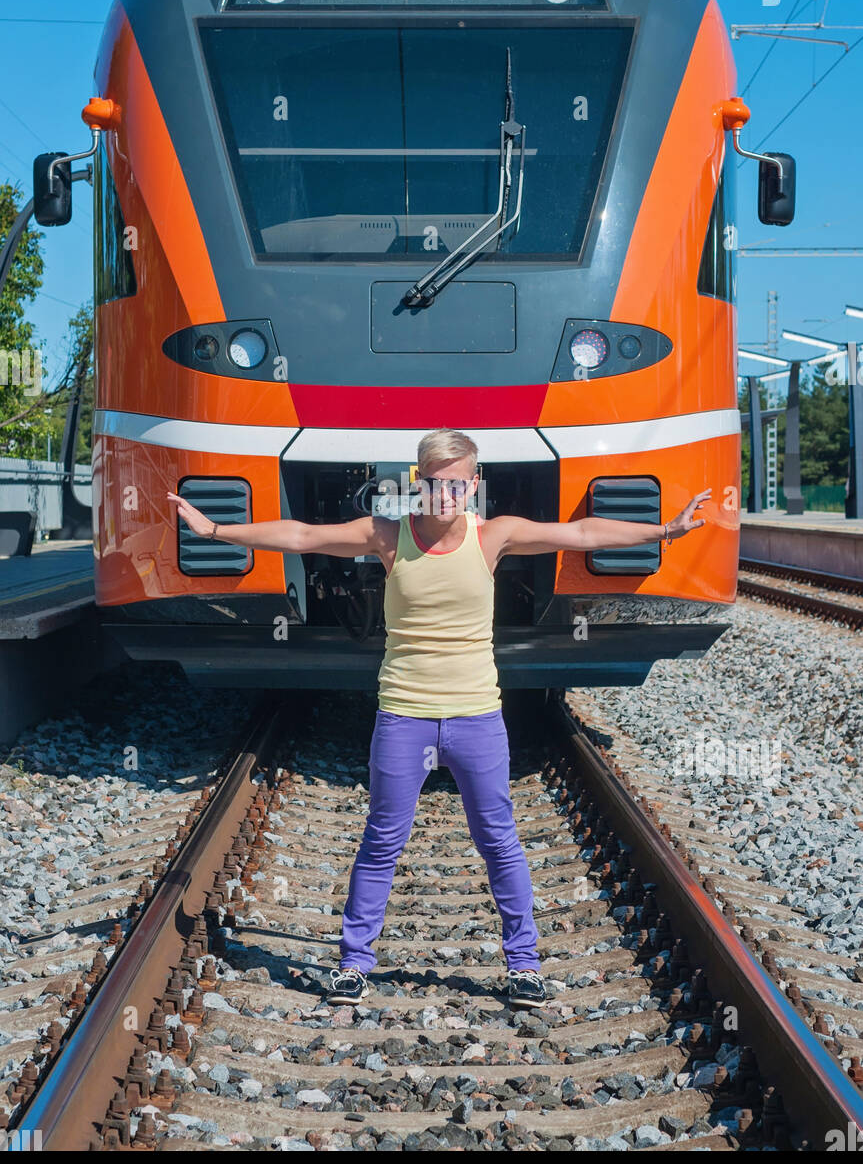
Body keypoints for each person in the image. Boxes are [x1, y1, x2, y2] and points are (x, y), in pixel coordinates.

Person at [168, 428, 710, 1009]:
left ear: (474, 485)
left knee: (498, 840)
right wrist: (215, 529)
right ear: (417, 481)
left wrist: (664, 530)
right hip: (404, 715)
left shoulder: (495, 536)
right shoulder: (385, 536)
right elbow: (302, 534)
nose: (446, 493)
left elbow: (580, 532)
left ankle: (524, 965)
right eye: (434, 481)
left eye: (457, 482)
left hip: (477, 715)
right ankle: (354, 964)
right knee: (382, 839)